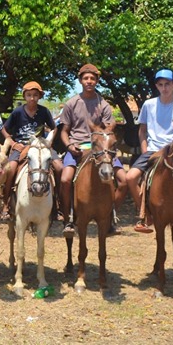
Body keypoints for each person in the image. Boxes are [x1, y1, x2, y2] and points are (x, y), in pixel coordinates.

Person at [121, 69, 173, 233]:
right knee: (130, 177)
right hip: (153, 150)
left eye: (167, 84)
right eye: (160, 85)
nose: (164, 88)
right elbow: (142, 130)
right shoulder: (149, 105)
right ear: (156, 86)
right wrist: (145, 150)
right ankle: (144, 213)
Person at [56, 63, 122, 238]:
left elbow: (109, 129)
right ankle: (68, 217)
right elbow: (64, 131)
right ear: (80, 81)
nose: (89, 81)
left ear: (97, 81)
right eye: (86, 78)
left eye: (92, 78)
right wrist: (70, 146)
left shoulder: (104, 105)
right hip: (78, 147)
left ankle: (111, 216)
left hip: (102, 148)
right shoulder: (71, 103)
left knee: (123, 179)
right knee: (65, 178)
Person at [0, 81, 57, 219]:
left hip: (41, 147)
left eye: (35, 95)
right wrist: (13, 144)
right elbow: (4, 129)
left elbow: (54, 128)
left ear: (39, 96)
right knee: (11, 168)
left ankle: (57, 205)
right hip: (22, 147)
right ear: (25, 96)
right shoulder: (18, 112)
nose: (32, 98)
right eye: (29, 95)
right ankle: (5, 203)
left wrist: (49, 141)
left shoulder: (44, 111)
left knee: (59, 167)